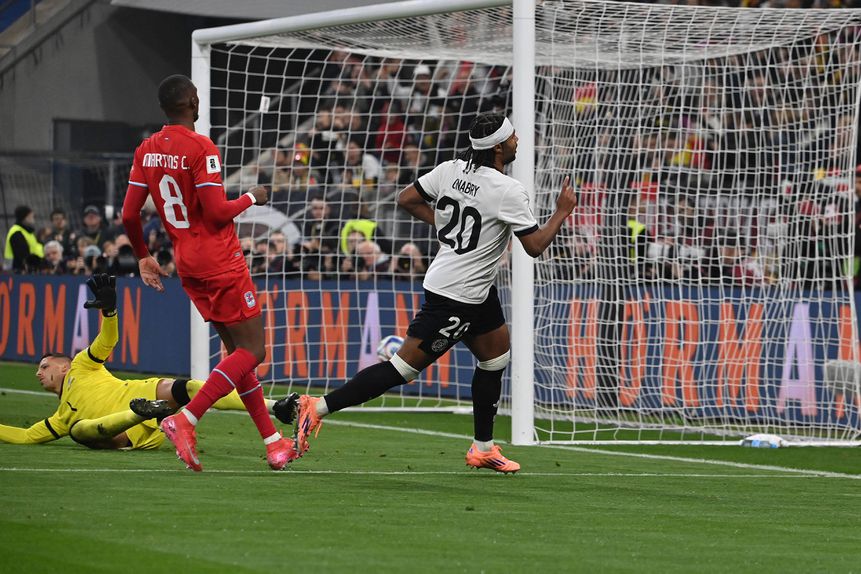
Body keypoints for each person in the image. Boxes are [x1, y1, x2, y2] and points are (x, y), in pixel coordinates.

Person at [295, 113, 577, 473]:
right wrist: (561, 212)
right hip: (456, 295)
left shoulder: (450, 170)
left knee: (495, 359)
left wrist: (444, 226)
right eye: (513, 136)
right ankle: (317, 407)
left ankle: (483, 448)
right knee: (402, 369)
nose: (518, 140)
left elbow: (407, 198)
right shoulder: (508, 191)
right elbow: (535, 246)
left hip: (475, 289)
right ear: (498, 147)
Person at [121, 74, 294, 472]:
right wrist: (253, 196)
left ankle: (273, 442)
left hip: (186, 262)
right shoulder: (201, 147)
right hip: (220, 260)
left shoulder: (145, 150)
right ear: (194, 102)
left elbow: (129, 214)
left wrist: (144, 255)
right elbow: (217, 213)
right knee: (254, 351)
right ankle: (186, 418)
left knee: (237, 356)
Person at [0, 275, 299, 451]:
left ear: (63, 366)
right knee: (80, 431)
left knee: (192, 387)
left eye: (45, 366)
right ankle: (138, 414)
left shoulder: (80, 365)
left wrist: (110, 312)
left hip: (143, 393)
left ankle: (276, 407)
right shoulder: (60, 418)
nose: (39, 373)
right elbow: (25, 436)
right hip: (131, 430)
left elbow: (108, 341)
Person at [4, 205, 44, 272]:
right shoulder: (16, 232)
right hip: (17, 272)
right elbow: (22, 255)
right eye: (31, 216)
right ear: (25, 217)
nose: (33, 218)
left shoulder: (28, 232)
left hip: (32, 268)